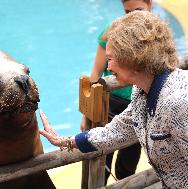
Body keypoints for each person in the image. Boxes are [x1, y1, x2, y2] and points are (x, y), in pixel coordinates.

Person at [40, 11, 188, 189]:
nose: (108, 67)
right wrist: (65, 141)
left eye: (110, 59)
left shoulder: (178, 103)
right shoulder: (142, 91)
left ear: (133, 57)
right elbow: (117, 131)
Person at [80, 0, 152, 184]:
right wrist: (86, 115)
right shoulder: (113, 31)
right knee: (102, 159)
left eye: (138, 10)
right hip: (111, 104)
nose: (133, 17)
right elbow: (96, 73)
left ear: (149, 4)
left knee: (127, 166)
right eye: (128, 11)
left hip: (139, 105)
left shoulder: (156, 33)